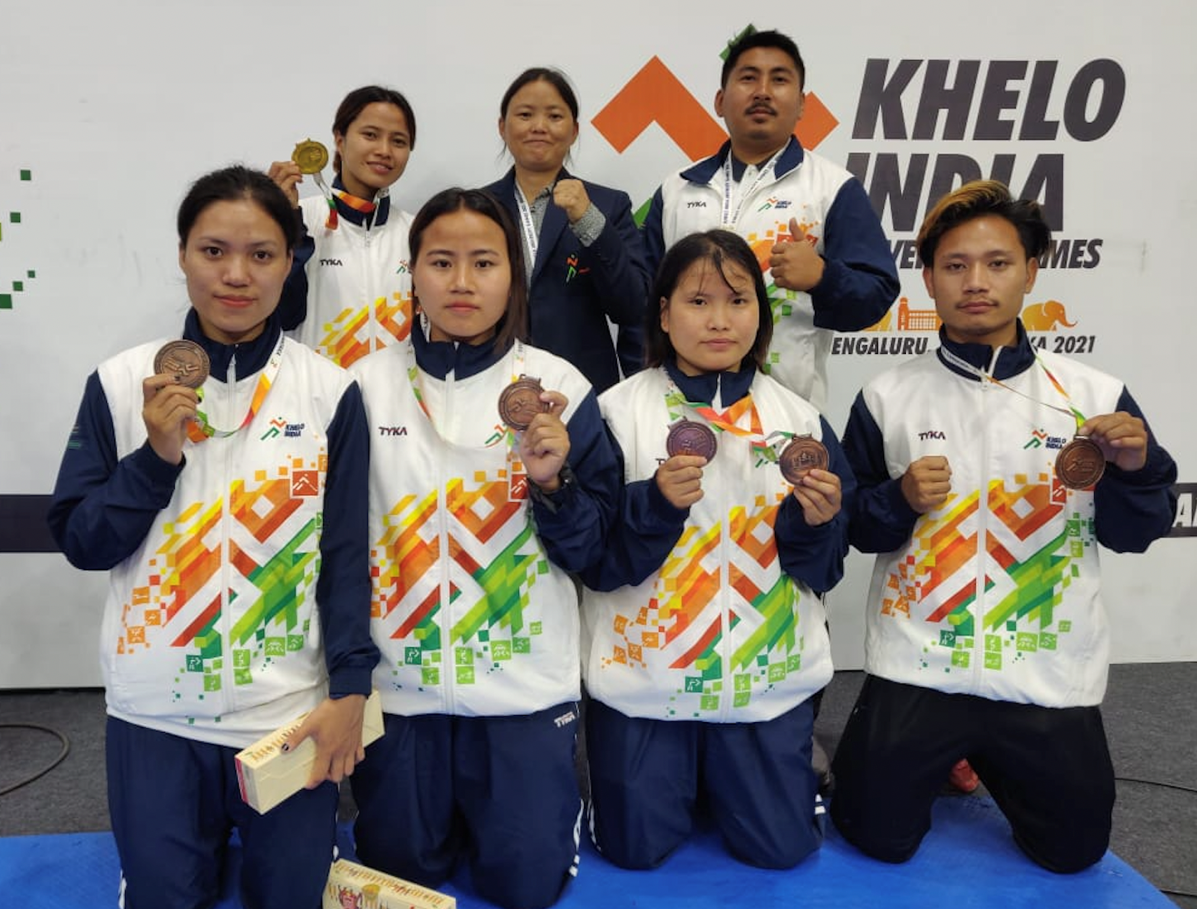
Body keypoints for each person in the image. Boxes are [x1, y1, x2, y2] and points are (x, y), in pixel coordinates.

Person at [46, 165, 378, 909]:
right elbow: (83, 542)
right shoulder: (120, 383)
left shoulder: (329, 391)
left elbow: (345, 554)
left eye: (261, 254)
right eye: (214, 250)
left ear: (289, 263)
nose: (236, 275)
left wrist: (351, 688)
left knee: (289, 898)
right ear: (182, 254)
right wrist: (154, 459)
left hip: (284, 711)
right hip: (154, 712)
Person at [830, 180, 1178, 872]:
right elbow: (856, 528)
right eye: (955, 265)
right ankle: (946, 754)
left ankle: (977, 755)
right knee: (874, 837)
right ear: (928, 279)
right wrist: (898, 498)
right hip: (920, 662)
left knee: (1072, 854)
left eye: (997, 263)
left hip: (1043, 669)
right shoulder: (886, 396)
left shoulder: (1094, 396)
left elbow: (1133, 534)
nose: (975, 282)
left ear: (1031, 272)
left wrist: (1137, 470)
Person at [347, 188, 620, 909]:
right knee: (401, 873)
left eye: (484, 262)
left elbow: (593, 550)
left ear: (513, 274)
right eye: (441, 262)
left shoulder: (561, 389)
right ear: (412, 272)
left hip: (521, 687)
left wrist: (554, 483)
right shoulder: (363, 387)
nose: (462, 282)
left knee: (524, 886)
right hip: (400, 687)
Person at [579, 229, 854, 870]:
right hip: (646, 683)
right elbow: (595, 563)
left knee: (781, 852)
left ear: (760, 313)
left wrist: (814, 525)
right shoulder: (615, 414)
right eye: (698, 302)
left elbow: (825, 570)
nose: (720, 321)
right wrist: (654, 505)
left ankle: (764, 767)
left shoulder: (800, 421)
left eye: (738, 301)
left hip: (765, 681)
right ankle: (683, 775)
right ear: (663, 314)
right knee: (634, 851)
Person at [641, 29, 899, 411]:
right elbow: (643, 305)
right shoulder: (677, 189)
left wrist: (822, 277)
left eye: (779, 80)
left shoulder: (831, 188)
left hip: (787, 413)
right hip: (677, 408)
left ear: (802, 104)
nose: (762, 92)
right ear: (720, 101)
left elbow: (876, 295)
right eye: (748, 78)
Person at [487, 67, 650, 392]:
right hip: (491, 379)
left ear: (574, 131)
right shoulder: (477, 208)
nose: (539, 126)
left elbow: (632, 306)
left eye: (554, 116)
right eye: (525, 114)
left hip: (580, 384)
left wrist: (588, 219)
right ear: (503, 127)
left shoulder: (608, 205)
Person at [270, 85, 418, 367]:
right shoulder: (302, 219)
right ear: (340, 140)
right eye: (370, 135)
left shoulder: (417, 233)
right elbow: (280, 314)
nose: (384, 150)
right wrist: (280, 224)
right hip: (318, 391)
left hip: (397, 392)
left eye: (398, 141)